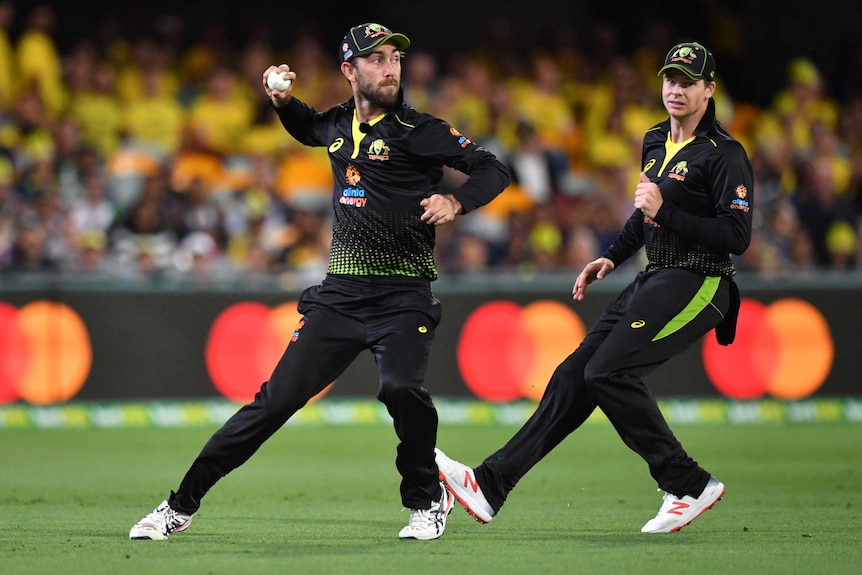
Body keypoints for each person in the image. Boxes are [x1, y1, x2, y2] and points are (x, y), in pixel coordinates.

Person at [128, 22, 510, 541]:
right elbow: (308, 126)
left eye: (395, 59)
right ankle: (179, 505)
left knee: (400, 389)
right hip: (341, 298)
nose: (391, 67)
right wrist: (282, 101)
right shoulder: (335, 126)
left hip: (403, 298)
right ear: (349, 71)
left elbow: (492, 167)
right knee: (273, 403)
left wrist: (456, 200)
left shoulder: (420, 130)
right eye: (377, 60)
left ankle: (427, 498)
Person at [436, 41, 753, 534]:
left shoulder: (725, 154)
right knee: (573, 375)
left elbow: (737, 236)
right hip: (656, 275)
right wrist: (611, 254)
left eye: (689, 82)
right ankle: (490, 485)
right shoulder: (654, 140)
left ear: (709, 90)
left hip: (702, 281)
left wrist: (663, 212)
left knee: (606, 372)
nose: (676, 89)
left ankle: (688, 482)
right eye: (670, 79)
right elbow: (642, 217)